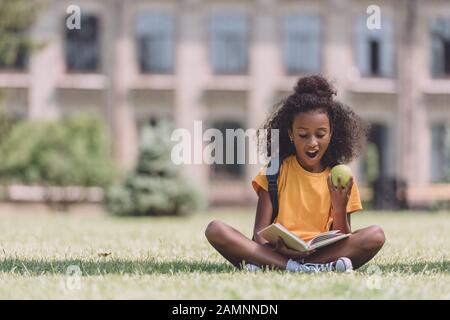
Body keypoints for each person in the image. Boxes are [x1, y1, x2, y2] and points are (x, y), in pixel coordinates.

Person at [205, 75, 386, 273]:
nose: (312, 143)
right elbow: (259, 235)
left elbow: (344, 238)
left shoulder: (340, 178)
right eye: (303, 135)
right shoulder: (274, 171)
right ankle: (299, 268)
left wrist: (339, 206)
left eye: (320, 134)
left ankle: (295, 266)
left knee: (375, 235)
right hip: (278, 252)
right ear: (290, 133)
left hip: (322, 252)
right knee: (216, 229)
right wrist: (280, 249)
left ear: (332, 133)